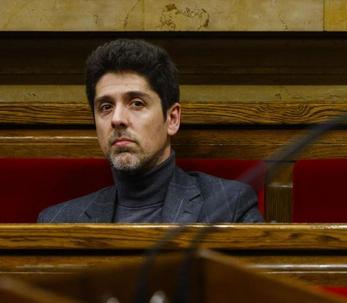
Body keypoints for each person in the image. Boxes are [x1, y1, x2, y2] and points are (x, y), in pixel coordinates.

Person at [38, 39, 262, 223]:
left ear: (172, 119)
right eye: (105, 107)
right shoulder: (58, 220)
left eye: (136, 103)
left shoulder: (228, 204)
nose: (117, 119)